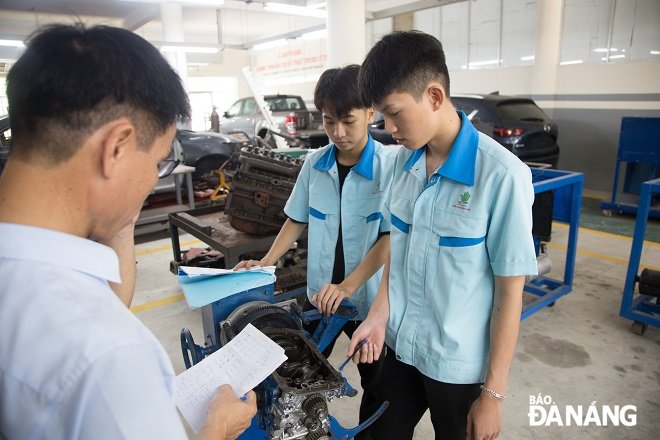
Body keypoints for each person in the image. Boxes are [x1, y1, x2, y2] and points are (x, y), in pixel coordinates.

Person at [0, 23, 256, 439]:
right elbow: (95, 324)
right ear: (116, 146)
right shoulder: (108, 355)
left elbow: (99, 299)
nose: (153, 179)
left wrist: (118, 209)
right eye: (157, 163)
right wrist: (218, 429)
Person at [347, 31, 538, 440]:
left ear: (434, 96)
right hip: (398, 346)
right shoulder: (404, 162)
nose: (389, 128)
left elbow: (510, 294)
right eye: (382, 116)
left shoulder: (501, 177)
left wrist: (493, 395)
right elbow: (399, 246)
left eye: (395, 114)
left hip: (457, 367)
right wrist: (379, 315)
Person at [234, 64, 396, 437]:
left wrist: (349, 286)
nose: (338, 133)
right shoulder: (315, 164)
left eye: (348, 121)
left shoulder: (389, 167)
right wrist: (266, 262)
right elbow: (295, 219)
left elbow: (389, 239)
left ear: (371, 113)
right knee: (301, 373)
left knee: (379, 382)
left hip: (367, 303)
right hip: (318, 297)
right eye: (329, 122)